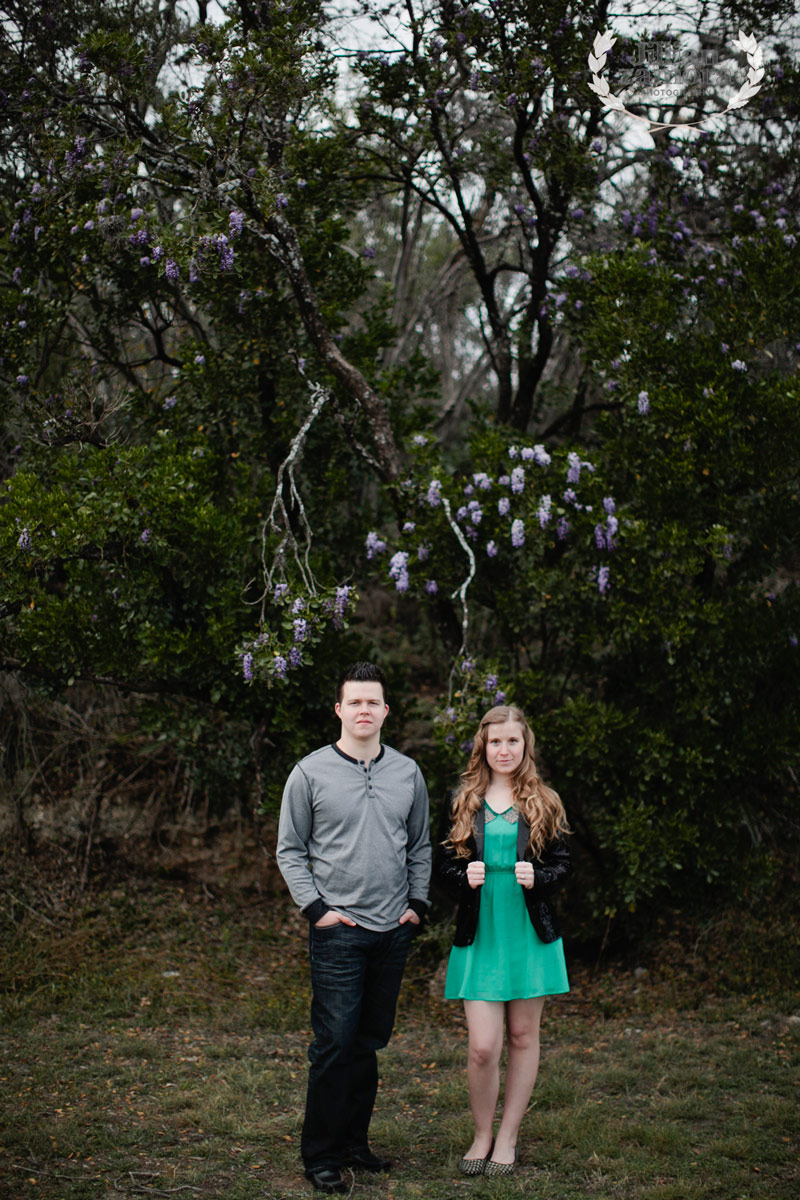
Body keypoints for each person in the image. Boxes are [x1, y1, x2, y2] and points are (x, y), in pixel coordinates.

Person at [276, 661, 431, 1195]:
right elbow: (290, 850)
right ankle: (320, 1155)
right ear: (339, 710)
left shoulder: (407, 772)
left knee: (367, 1043)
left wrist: (417, 903)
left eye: (373, 702)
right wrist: (316, 910)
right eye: (355, 702)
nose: (364, 710)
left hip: (393, 928)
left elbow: (419, 845)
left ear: (386, 711)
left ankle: (353, 1145)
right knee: (335, 1044)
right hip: (338, 927)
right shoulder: (310, 772)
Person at [436, 704, 570, 1177]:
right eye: (495, 741)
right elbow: (442, 868)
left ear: (525, 745)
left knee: (522, 1035)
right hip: (482, 932)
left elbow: (563, 866)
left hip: (528, 932)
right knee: (484, 1046)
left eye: (513, 740)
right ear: (483, 746)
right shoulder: (463, 799)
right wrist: (461, 875)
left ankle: (508, 1136)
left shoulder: (545, 800)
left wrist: (540, 875)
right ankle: (481, 1133)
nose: (504, 749)